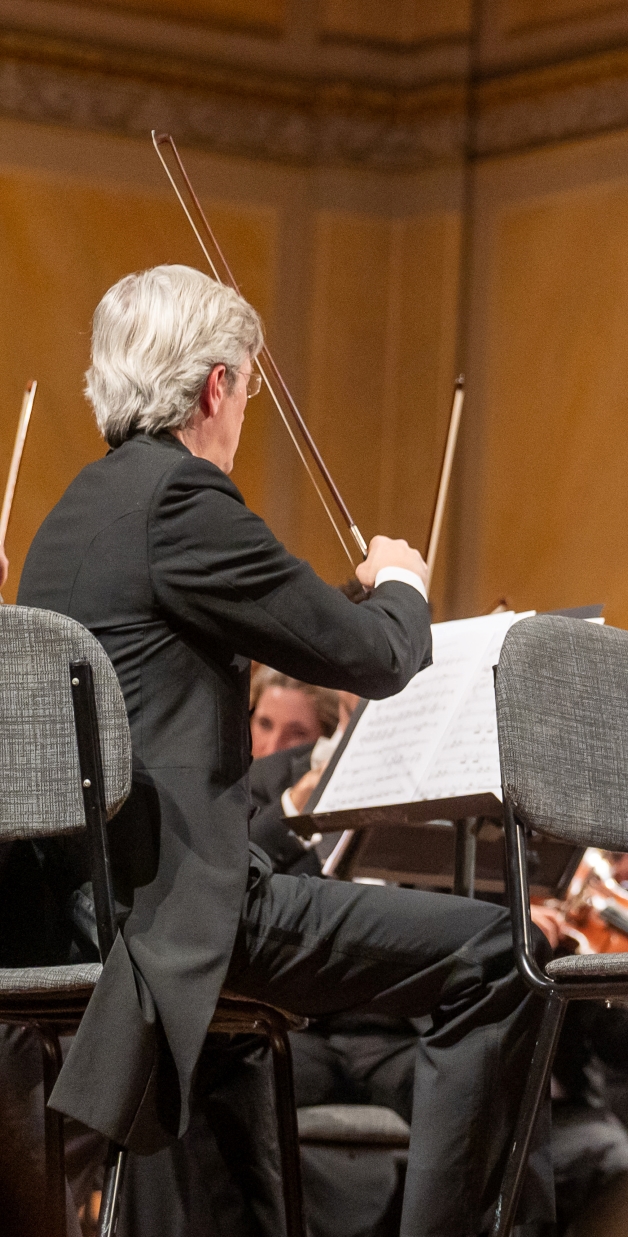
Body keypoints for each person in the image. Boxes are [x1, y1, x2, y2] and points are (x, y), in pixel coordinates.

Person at [15, 265, 550, 1234]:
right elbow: (378, 654)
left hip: (87, 907)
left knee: (237, 1059)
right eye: (250, 388)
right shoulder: (183, 501)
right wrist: (401, 579)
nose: (246, 409)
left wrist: (357, 602)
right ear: (217, 385)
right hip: (180, 914)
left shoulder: (73, 519)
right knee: (498, 949)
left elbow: (277, 621)